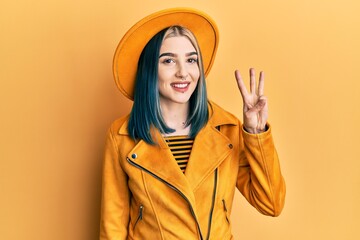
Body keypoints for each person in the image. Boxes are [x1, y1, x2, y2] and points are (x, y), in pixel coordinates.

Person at [100, 8, 286, 240]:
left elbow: (271, 203)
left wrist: (256, 134)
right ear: (150, 70)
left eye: (191, 60)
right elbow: (112, 227)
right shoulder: (122, 136)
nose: (183, 72)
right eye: (168, 60)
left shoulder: (228, 128)